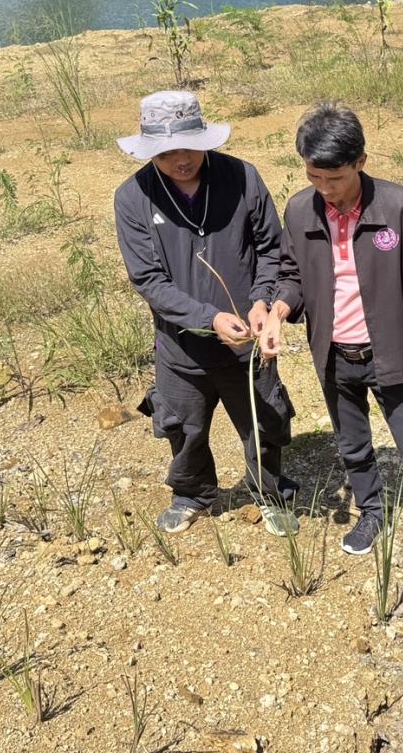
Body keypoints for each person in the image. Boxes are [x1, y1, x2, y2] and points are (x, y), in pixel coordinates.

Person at [259, 102, 403, 582]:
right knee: (353, 446)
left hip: (390, 353)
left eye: (335, 178)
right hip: (333, 356)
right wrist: (279, 310)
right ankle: (371, 512)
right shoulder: (298, 209)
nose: (325, 190)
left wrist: (397, 314)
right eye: (314, 177)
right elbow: (292, 275)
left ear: (361, 161)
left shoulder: (396, 205)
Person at [114, 90, 299, 537]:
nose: (182, 160)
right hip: (181, 347)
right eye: (167, 152)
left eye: (189, 148)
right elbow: (149, 281)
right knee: (183, 426)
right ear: (150, 151)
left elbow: (271, 249)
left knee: (263, 422)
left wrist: (260, 300)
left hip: (247, 343)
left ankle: (270, 492)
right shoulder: (132, 198)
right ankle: (192, 492)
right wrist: (208, 318)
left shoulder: (242, 177)